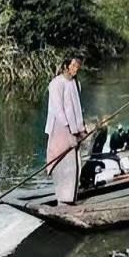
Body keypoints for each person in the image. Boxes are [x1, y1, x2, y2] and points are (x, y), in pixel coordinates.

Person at [45, 56, 86, 203]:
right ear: (66, 66)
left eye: (78, 66)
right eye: (73, 66)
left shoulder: (76, 84)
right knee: (62, 161)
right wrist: (68, 131)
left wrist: (81, 129)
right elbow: (58, 110)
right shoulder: (56, 84)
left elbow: (78, 109)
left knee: (75, 165)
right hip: (60, 129)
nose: (76, 69)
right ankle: (63, 197)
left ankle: (71, 197)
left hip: (74, 130)